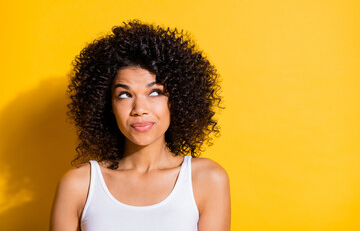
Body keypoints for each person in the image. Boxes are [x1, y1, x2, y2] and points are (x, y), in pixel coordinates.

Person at [50, 20, 231, 231]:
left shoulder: (207, 179)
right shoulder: (79, 185)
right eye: (125, 95)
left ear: (177, 100)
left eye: (154, 92)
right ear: (108, 105)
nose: (139, 109)